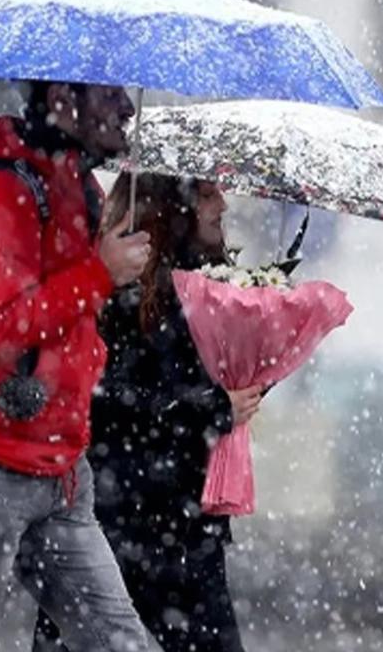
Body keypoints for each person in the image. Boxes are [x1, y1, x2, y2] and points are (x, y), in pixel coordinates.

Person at [0, 80, 155, 652]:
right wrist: (99, 274)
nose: (126, 107)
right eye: (109, 94)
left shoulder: (76, 187)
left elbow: (68, 325)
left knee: (119, 642)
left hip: (59, 469)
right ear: (62, 97)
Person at [34, 173, 262, 652]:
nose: (222, 205)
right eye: (207, 194)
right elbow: (104, 399)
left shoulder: (208, 286)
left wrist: (248, 382)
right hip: (117, 520)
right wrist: (212, 408)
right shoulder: (117, 289)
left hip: (182, 523)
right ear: (170, 206)